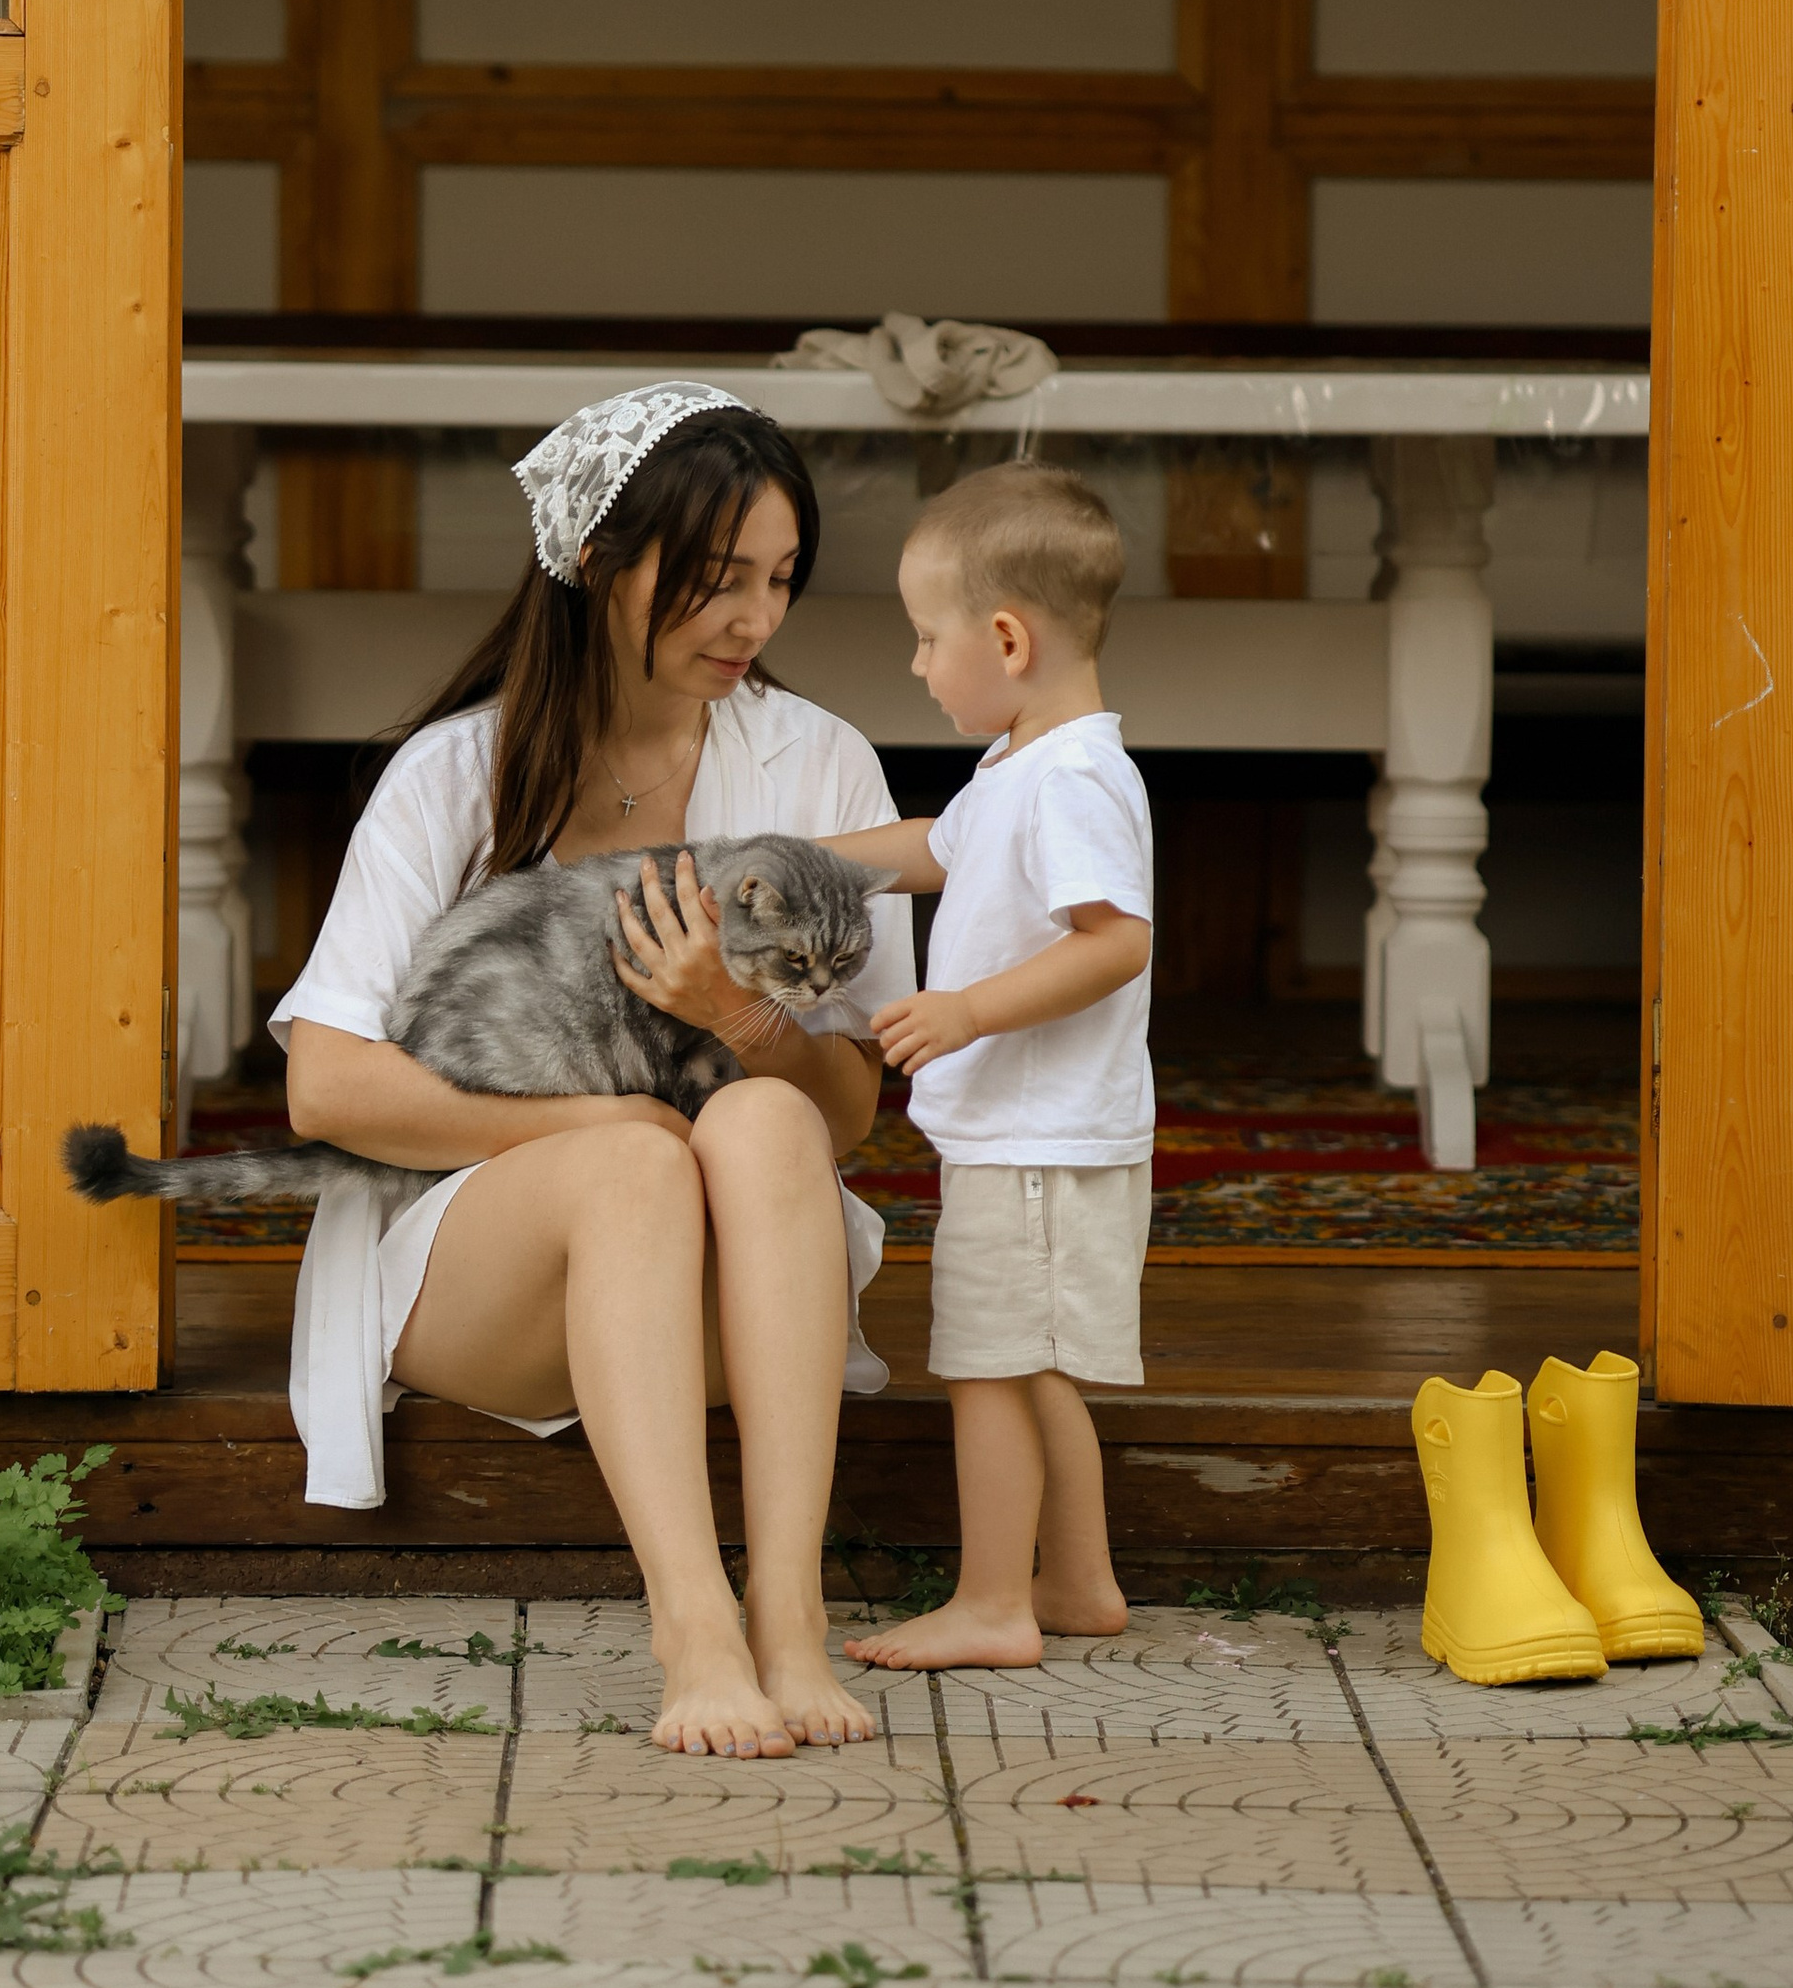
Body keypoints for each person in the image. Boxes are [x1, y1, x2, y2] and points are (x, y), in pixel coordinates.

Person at [271, 383, 912, 1759]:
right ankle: (694, 1628)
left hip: (737, 1277)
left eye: (782, 581)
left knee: (752, 1124)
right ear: (596, 562)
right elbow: (326, 1090)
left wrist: (738, 1020)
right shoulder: (456, 774)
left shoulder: (819, 764)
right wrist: (606, 1111)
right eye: (715, 581)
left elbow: (850, 1116)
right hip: (487, 1274)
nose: (754, 621)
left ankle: (789, 1619)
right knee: (637, 1158)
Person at [823, 462, 1154, 1673]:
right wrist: (797, 856)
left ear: (1006, 637)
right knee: (1026, 1369)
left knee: (985, 1371)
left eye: (924, 638)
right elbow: (931, 848)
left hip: (1041, 1136)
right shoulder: (1021, 766)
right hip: (1024, 1137)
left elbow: (1116, 942)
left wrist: (965, 1010)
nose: (916, 665)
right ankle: (1076, 1583)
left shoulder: (1072, 779)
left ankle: (991, 1603)